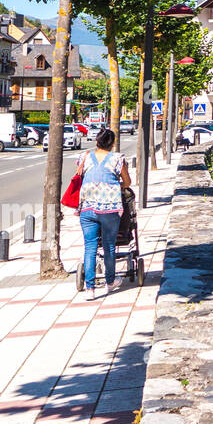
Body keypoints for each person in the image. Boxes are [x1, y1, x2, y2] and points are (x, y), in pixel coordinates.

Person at [77, 127, 131, 300]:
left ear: (96, 142)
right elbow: (128, 181)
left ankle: (90, 289)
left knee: (90, 246)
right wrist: (116, 186)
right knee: (108, 245)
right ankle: (110, 282)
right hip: (109, 209)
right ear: (112, 143)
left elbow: (80, 174)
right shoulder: (117, 159)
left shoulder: (84, 157)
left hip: (87, 208)